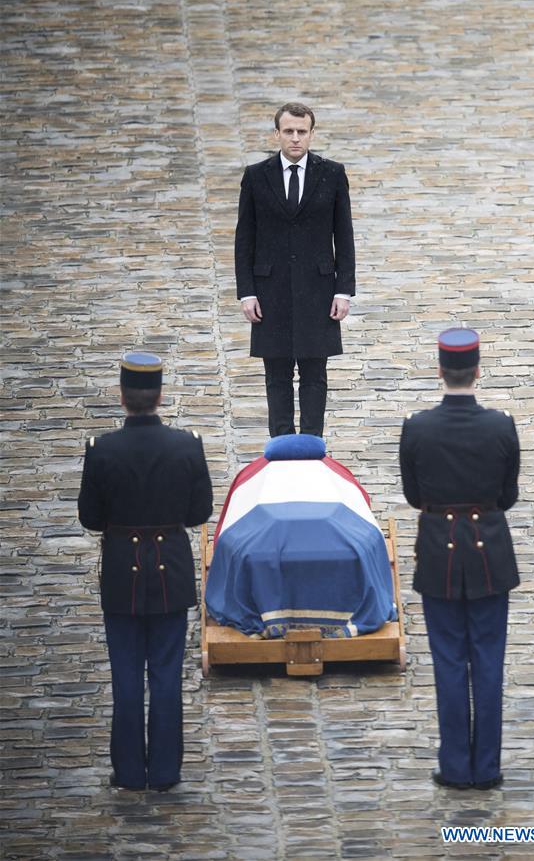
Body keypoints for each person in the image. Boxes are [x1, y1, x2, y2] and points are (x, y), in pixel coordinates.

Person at [78, 351, 213, 792]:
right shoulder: (187, 444)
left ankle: (131, 772)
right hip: (169, 569)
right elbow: (199, 513)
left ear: (122, 397)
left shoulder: (102, 450)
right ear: (160, 396)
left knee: (126, 674)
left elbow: (91, 518)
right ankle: (167, 771)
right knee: (167, 674)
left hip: (121, 572)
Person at [399, 328, 520, 790]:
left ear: (440, 371)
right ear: (477, 370)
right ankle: (486, 767)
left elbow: (414, 496)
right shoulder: (501, 425)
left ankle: (455, 766)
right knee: (488, 662)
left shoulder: (417, 426)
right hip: (490, 552)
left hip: (438, 553)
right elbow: (506, 496)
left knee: (449, 662)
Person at [234, 101, 356, 437]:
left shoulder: (331, 173)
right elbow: (245, 238)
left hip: (318, 291)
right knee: (276, 376)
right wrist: (247, 292)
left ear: (311, 134)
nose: (295, 138)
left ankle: (313, 446)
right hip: (270, 291)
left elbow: (343, 235)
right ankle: (282, 447)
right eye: (288, 131)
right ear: (277, 133)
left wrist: (343, 290)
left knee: (315, 375)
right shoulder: (256, 177)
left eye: (302, 132)